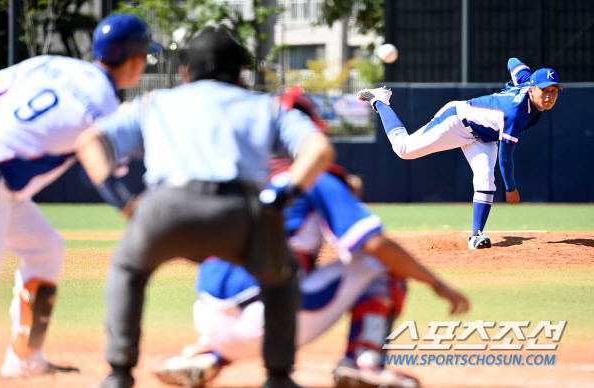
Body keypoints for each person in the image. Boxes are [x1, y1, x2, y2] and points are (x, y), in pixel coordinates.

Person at [151, 89, 469, 388]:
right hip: (267, 319)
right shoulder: (314, 176)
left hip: (208, 317)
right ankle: (363, 360)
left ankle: (204, 352)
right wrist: (437, 284)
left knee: (256, 261)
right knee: (378, 264)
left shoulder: (234, 174)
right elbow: (373, 243)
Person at [74, 29, 336, 388]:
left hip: (164, 209)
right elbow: (319, 150)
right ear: (241, 74)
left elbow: (89, 141)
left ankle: (119, 372)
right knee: (282, 274)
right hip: (237, 212)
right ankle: (278, 376)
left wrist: (122, 200)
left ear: (185, 73)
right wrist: (284, 195)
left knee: (128, 270)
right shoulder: (265, 105)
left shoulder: (155, 102)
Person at [0, 13, 159, 377]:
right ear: (133, 60)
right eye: (144, 59)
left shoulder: (49, 63)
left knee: (45, 247)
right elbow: (111, 168)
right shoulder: (107, 110)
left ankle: (26, 359)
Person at [357, 58, 562, 249]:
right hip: (457, 121)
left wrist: (521, 77)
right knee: (404, 149)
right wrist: (511, 188)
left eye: (554, 91)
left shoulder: (526, 82)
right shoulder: (515, 114)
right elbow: (506, 156)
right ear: (533, 89)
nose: (549, 95)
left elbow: (513, 62)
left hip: (483, 137)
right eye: (544, 90)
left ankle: (476, 236)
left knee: (485, 178)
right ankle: (381, 101)